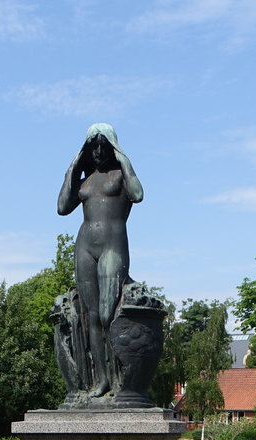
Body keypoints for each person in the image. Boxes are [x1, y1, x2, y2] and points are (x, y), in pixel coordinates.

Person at [57, 123, 143, 398]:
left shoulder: (120, 174)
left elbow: (138, 195)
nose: (97, 152)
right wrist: (72, 167)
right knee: (91, 316)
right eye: (92, 148)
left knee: (108, 314)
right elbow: (62, 207)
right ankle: (102, 380)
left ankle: (121, 378)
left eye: (102, 147)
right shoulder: (84, 180)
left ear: (112, 147)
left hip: (112, 245)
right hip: (85, 246)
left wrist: (125, 161)